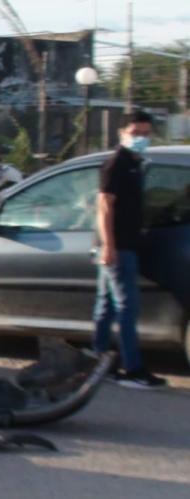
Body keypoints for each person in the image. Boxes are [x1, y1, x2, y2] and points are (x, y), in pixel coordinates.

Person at [92, 111, 167, 389]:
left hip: (121, 245)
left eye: (146, 134)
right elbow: (104, 206)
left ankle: (99, 360)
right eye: (136, 133)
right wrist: (109, 246)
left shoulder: (135, 163)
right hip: (118, 247)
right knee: (126, 308)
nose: (141, 139)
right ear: (122, 133)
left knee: (107, 306)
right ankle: (132, 369)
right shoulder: (116, 164)